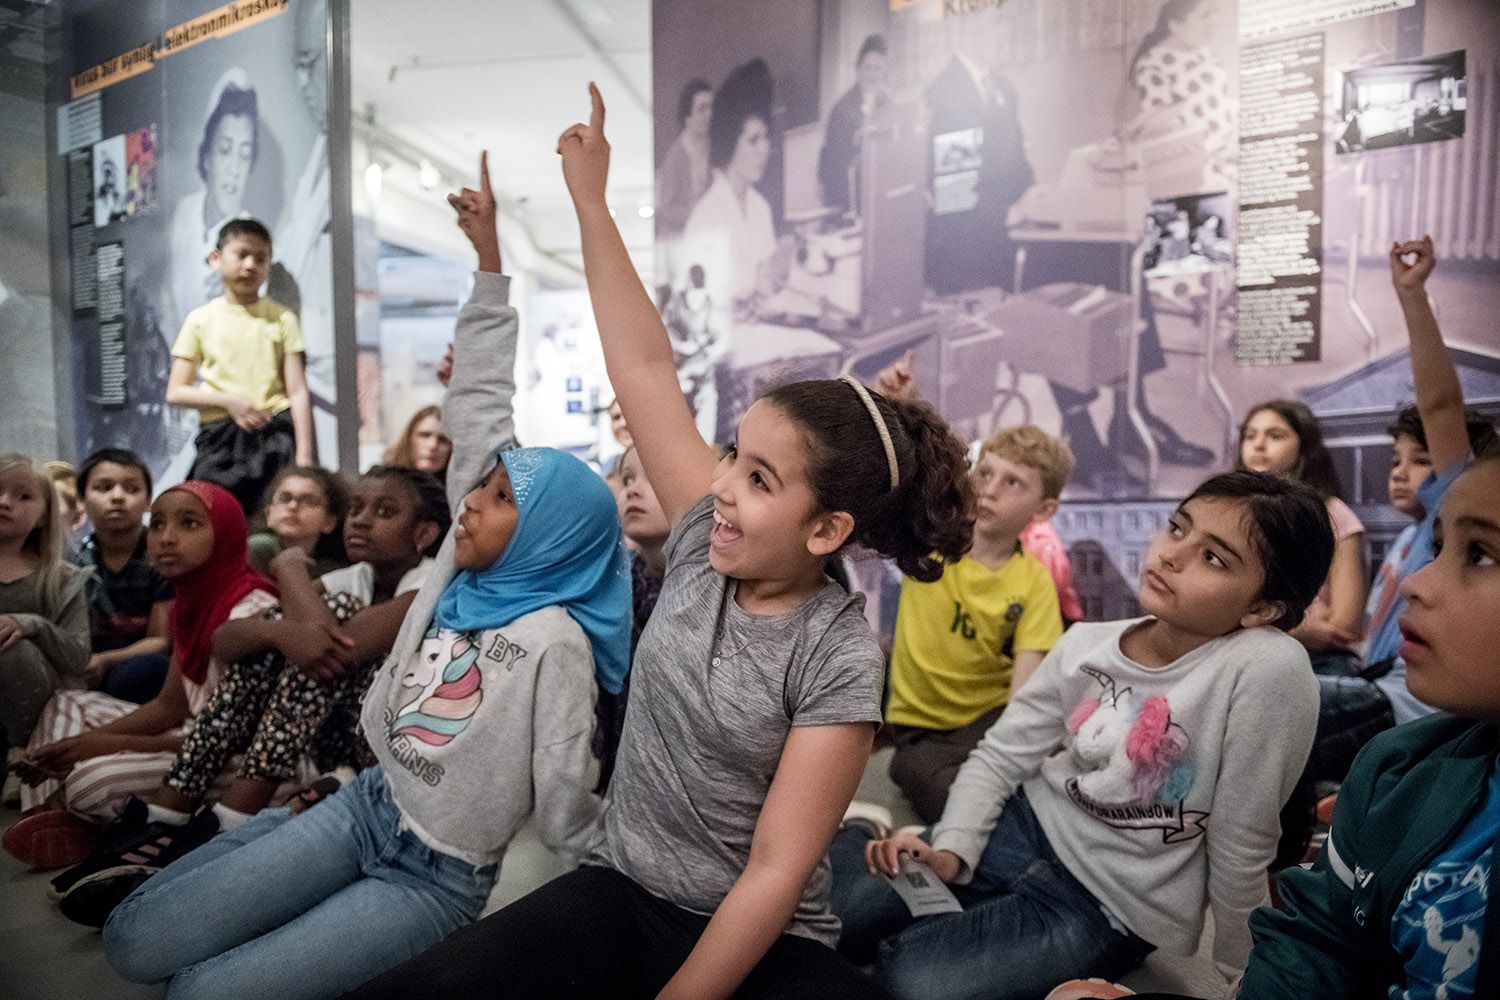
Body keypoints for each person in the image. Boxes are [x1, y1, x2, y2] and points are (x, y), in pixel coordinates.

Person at [343, 82, 973, 1000]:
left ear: (826, 529)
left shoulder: (837, 652)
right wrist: (590, 203)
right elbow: (643, 365)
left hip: (758, 935)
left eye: (759, 480)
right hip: (621, 889)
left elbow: (771, 874)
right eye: (734, 457)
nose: (720, 485)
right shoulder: (705, 537)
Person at [97, 152, 628, 1000]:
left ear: (551, 536)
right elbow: (479, 405)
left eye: (500, 499)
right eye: (480, 487)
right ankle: (265, 837)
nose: (472, 501)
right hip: (368, 803)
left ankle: (279, 869)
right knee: (131, 943)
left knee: (197, 992)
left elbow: (566, 785)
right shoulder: (459, 571)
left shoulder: (556, 639)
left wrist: (599, 879)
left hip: (438, 876)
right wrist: (488, 264)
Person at [832, 470, 1334, 999]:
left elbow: (1242, 841)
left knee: (912, 982)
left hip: (1106, 903)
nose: (1171, 554)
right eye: (1177, 528)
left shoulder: (1266, 666)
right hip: (1021, 827)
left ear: (1262, 609)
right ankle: (864, 832)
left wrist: (1243, 976)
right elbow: (999, 757)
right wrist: (953, 848)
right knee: (837, 914)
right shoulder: (1086, 645)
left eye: (1213, 558)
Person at [46, 467, 450, 923]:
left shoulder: (431, 581)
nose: (361, 519)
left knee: (320, 620)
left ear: (424, 534)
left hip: (376, 755)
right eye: (356, 508)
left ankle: (223, 820)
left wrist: (287, 566)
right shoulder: (355, 577)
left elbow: (340, 647)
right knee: (275, 634)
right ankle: (171, 814)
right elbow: (223, 643)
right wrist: (279, 633)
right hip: (316, 740)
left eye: (385, 511)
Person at [1237, 456, 1500, 999]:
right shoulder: (1392, 768)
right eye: (1438, 549)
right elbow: (1318, 941)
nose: (1415, 583)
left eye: (1481, 555)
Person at [7, 483, 277, 874]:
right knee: (66, 702)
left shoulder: (253, 610)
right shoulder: (191, 602)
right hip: (191, 741)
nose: (166, 538)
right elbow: (169, 707)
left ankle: (79, 816)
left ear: (226, 534)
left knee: (91, 782)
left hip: (242, 763)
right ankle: (53, 815)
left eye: (189, 523)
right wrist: (83, 744)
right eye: (158, 524)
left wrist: (106, 745)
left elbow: (234, 740)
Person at [1309, 237, 1498, 786]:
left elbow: (1440, 407)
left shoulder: (1457, 497)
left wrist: (1412, 295)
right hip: (1379, 684)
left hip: (1394, 702)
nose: (1421, 580)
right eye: (1397, 460)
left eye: (1423, 460)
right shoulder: (1418, 533)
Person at [883, 425, 1068, 823]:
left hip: (989, 720)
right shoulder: (930, 539)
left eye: (1012, 482)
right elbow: (903, 469)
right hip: (923, 729)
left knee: (1050, 779)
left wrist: (1012, 753)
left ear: (1043, 510)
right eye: (984, 473)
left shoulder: (1034, 581)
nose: (989, 490)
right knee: (940, 790)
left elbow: (1024, 692)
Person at [166, 217, 315, 515]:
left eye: (260, 258)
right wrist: (230, 402)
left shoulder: (283, 318)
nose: (250, 265)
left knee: (271, 521)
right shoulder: (200, 320)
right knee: (213, 518)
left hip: (274, 436)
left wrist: (304, 458)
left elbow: (297, 391)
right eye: (242, 254)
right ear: (216, 259)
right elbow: (176, 392)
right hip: (220, 439)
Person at [1236, 399, 1367, 673]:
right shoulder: (1226, 513)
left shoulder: (1333, 514)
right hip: (1239, 654)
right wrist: (1297, 629)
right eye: (1250, 436)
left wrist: (1260, 627)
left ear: (1303, 449)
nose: (1259, 445)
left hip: (1320, 661)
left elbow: (1345, 626)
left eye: (1275, 435)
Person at [0, 454, 90, 754]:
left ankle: (26, 754)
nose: (4, 502)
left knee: (12, 647)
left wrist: (31, 625)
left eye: (23, 496)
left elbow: (78, 656)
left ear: (43, 516)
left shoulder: (63, 578)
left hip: (42, 715)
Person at [72, 449, 172, 705]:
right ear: (82, 500)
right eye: (103, 487)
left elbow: (160, 641)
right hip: (80, 668)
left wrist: (106, 660)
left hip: (134, 667)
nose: (117, 497)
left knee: (150, 668)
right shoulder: (72, 562)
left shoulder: (163, 559)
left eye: (132, 489)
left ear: (149, 501)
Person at [170, 69, 258, 331]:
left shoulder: (254, 245)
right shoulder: (183, 212)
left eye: (244, 155)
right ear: (207, 157)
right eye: (225, 150)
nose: (235, 169)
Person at [818, 34, 888, 216]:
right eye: (868, 68)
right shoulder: (842, 110)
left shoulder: (889, 104)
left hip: (882, 193)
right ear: (858, 69)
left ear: (885, 71)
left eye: (878, 68)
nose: (872, 74)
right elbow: (832, 168)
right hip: (852, 199)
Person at [245, 465, 349, 577]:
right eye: (285, 498)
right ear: (268, 513)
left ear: (329, 522)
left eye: (308, 501)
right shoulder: (259, 546)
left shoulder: (331, 570)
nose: (293, 506)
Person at [656, 78, 714, 237]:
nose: (709, 114)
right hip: (677, 238)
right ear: (687, 116)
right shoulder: (674, 156)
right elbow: (666, 209)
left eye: (711, 107)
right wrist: (697, 213)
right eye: (702, 109)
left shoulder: (713, 149)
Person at [383, 404, 452, 480]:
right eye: (425, 435)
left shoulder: (457, 485)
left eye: (443, 440)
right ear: (409, 439)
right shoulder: (382, 481)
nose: (433, 445)